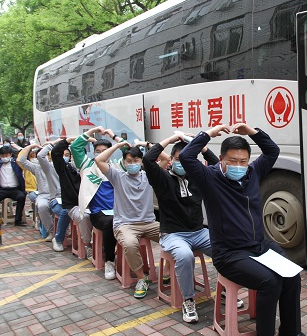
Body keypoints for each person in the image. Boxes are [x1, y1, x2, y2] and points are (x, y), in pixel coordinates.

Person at [179, 123, 307, 336]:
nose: (238, 166)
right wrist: (208, 134)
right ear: (221, 159)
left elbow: (272, 150)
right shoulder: (209, 178)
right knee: (269, 281)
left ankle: (290, 330)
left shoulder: (253, 172)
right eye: (232, 161)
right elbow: (186, 156)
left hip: (259, 246)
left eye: (243, 161)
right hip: (229, 253)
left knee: (291, 275)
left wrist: (252, 132)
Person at [142, 133, 220, 322]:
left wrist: (200, 146)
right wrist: (170, 139)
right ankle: (188, 300)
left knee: (225, 247)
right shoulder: (162, 178)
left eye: (186, 160)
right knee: (185, 256)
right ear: (171, 160)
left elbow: (216, 164)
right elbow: (148, 159)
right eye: (178, 159)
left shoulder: (198, 178)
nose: (182, 163)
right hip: (173, 234)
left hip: (199, 232)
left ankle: (224, 290)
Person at [95, 140, 160, 299]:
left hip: (149, 223)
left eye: (136, 160)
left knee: (174, 235)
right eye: (129, 161)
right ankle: (141, 278)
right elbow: (99, 160)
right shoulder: (117, 176)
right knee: (130, 244)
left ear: (142, 161)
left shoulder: (149, 175)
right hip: (125, 225)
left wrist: (146, 144)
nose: (132, 164)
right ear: (123, 163)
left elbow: (165, 158)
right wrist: (117, 146)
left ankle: (166, 272)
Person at [71, 126, 126, 280]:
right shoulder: (86, 166)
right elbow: (75, 147)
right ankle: (109, 261)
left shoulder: (117, 166)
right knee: (110, 223)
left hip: (120, 211)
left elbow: (128, 149)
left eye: (105, 151)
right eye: (98, 151)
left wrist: (113, 136)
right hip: (98, 213)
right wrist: (93, 130)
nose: (101, 154)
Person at [51, 137, 93, 258]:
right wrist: (67, 141)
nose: (75, 158)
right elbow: (55, 153)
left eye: (79, 156)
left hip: (93, 205)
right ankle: (88, 245)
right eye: (73, 156)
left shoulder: (90, 169)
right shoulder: (65, 170)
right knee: (84, 217)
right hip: (74, 206)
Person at [0, 142, 27, 226]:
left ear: (10, 154)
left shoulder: (16, 163)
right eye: (2, 156)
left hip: (15, 189)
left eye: (6, 155)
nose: (5, 157)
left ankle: (18, 220)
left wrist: (17, 147)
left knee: (21, 197)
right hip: (2, 190)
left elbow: (25, 156)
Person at [17, 143, 54, 238]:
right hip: (43, 195)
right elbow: (21, 160)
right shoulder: (36, 168)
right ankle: (51, 230)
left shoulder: (54, 166)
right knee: (42, 207)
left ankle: (63, 230)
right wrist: (30, 146)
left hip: (57, 195)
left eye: (46, 156)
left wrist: (51, 144)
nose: (44, 158)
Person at [37, 141, 68, 251]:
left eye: (67, 155)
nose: (64, 157)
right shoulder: (50, 168)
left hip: (71, 200)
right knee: (65, 212)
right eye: (61, 154)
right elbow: (40, 156)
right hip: (56, 199)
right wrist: (53, 143)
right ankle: (58, 238)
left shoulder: (71, 167)